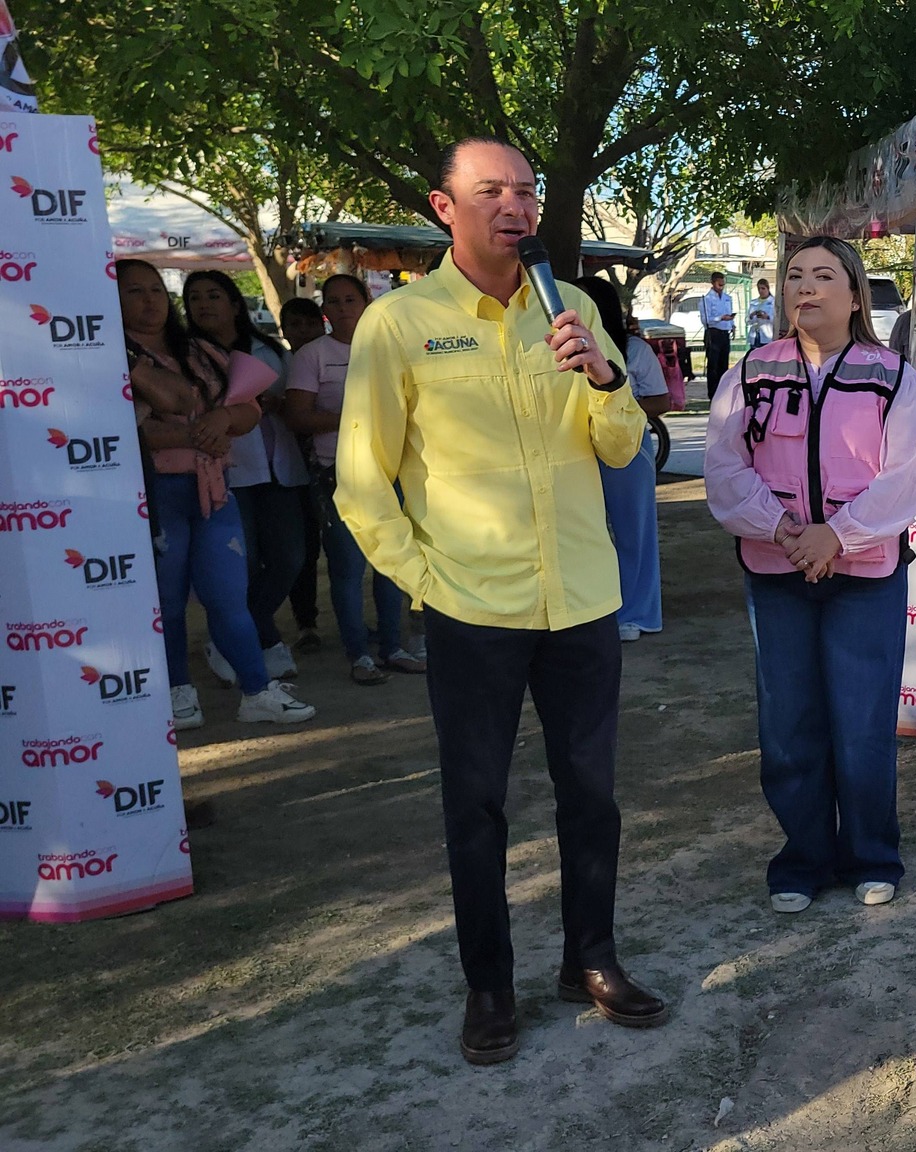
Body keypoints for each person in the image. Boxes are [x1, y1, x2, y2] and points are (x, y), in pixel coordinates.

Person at [335, 137, 668, 1065]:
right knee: (476, 804)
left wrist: (603, 381)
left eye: (526, 190)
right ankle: (489, 985)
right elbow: (363, 485)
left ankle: (590, 959)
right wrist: (435, 585)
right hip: (473, 611)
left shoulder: (572, 310)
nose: (515, 206)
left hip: (582, 601)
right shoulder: (398, 323)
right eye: (492, 191)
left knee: (591, 796)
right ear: (446, 208)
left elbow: (619, 449)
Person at [704, 236, 916, 915]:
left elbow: (906, 476)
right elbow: (724, 466)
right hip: (778, 572)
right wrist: (783, 532)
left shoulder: (893, 377)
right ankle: (802, 856)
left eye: (824, 276)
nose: (807, 287)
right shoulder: (749, 373)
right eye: (796, 275)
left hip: (864, 577)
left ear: (855, 294)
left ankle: (871, 853)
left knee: (862, 722)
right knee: (788, 722)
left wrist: (837, 535)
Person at [118, 259, 315, 730]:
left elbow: (246, 409)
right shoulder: (105, 355)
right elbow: (124, 431)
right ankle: (177, 693)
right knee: (165, 601)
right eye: (134, 292)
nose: (150, 301)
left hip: (213, 490)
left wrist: (223, 420)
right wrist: (194, 433)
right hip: (155, 493)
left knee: (229, 595)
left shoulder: (200, 350)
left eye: (156, 290)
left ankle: (256, 691)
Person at [282, 276, 423, 685]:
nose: (343, 308)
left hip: (392, 470)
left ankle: (393, 647)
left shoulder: (391, 346)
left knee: (392, 563)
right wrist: (358, 419)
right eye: (334, 301)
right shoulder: (313, 355)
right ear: (324, 308)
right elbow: (298, 417)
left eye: (350, 299)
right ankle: (359, 654)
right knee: (347, 566)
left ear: (367, 301)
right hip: (337, 473)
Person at [183, 270, 312, 683]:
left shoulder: (269, 348)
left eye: (214, 296)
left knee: (289, 559)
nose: (205, 305)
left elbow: (296, 403)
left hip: (278, 470)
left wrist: (274, 403)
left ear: (235, 304)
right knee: (243, 568)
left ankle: (232, 636)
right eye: (196, 298)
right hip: (227, 475)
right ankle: (264, 639)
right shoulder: (184, 355)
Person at [574, 275, 669, 643]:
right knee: (584, 530)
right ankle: (594, 610)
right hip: (577, 447)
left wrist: (620, 403)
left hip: (630, 448)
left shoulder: (633, 350)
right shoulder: (557, 345)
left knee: (635, 532)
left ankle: (637, 614)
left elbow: (661, 401)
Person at [278, 297, 330, 652]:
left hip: (328, 466)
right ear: (284, 330)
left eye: (309, 324)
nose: (303, 332)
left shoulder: (330, 357)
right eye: (294, 326)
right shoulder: (279, 363)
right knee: (303, 551)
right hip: (291, 472)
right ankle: (306, 622)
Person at [700, 270, 737, 398]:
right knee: (713, 366)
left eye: (723, 285)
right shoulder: (706, 299)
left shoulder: (727, 298)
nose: (721, 288)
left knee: (723, 365)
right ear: (713, 283)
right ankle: (713, 394)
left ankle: (723, 393)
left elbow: (730, 312)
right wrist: (720, 318)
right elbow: (705, 320)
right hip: (713, 333)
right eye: (719, 285)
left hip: (724, 333)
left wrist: (732, 324)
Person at [746, 277, 776, 348]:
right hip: (755, 335)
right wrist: (751, 316)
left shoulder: (773, 302)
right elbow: (747, 321)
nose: (761, 291)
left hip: (767, 335)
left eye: (763, 288)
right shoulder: (754, 302)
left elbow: (777, 320)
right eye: (759, 289)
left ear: (768, 288)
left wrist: (767, 317)